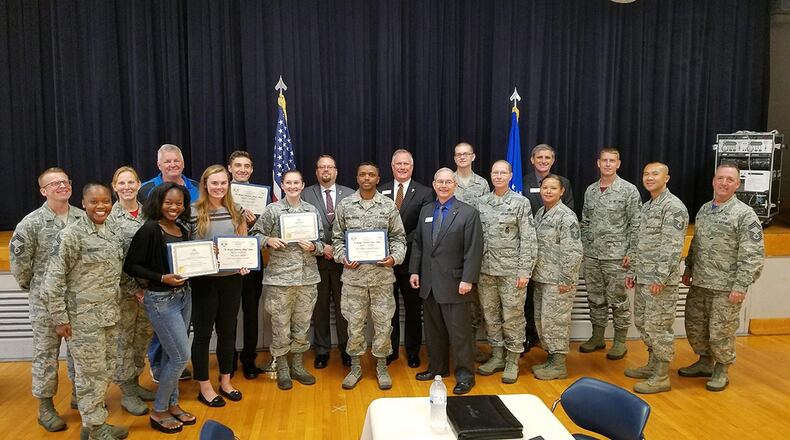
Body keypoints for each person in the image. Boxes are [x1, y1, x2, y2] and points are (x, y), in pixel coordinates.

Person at [43, 183, 130, 440]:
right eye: (94, 202)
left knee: (104, 370)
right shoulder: (72, 234)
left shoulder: (113, 230)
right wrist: (59, 318)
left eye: (105, 201)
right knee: (89, 374)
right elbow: (53, 280)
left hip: (110, 314)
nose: (100, 206)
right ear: (83, 203)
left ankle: (92, 422)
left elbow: (120, 271)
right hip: (82, 320)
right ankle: (95, 428)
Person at [10, 167, 83, 432]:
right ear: (43, 191)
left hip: (77, 301)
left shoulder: (82, 218)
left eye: (65, 181)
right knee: (45, 355)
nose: (62, 186)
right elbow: (20, 266)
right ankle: (45, 407)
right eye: (54, 184)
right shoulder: (30, 224)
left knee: (80, 354)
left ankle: (80, 397)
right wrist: (37, 288)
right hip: (44, 304)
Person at [680, 162, 764, 392]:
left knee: (720, 331)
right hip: (701, 282)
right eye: (720, 178)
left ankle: (722, 368)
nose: (724, 183)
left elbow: (753, 254)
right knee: (695, 326)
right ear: (713, 181)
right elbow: (696, 244)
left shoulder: (745, 215)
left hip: (726, 287)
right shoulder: (705, 209)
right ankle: (705, 362)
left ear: (737, 184)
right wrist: (688, 270)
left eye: (729, 179)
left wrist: (741, 285)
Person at [124, 182, 196, 434]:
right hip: (161, 299)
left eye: (179, 203)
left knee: (169, 355)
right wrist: (162, 277)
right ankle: (159, 409)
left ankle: (173, 404)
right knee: (179, 357)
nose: (174, 207)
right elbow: (132, 266)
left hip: (183, 296)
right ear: (158, 202)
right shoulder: (150, 229)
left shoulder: (182, 228)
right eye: (168, 202)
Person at [331, 162, 406, 390]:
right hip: (353, 279)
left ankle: (381, 366)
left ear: (377, 177)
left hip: (382, 279)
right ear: (357, 177)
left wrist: (394, 258)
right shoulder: (345, 206)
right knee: (354, 325)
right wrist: (343, 257)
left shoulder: (388, 206)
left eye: (371, 174)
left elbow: (399, 238)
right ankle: (355, 366)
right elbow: (336, 240)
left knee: (384, 325)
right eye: (362, 174)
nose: (366, 178)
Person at [410, 168, 484, 395]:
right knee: (434, 332)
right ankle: (437, 368)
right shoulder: (426, 211)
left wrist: (468, 279)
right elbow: (419, 245)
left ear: (455, 185)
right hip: (429, 283)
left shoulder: (468, 213)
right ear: (434, 184)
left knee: (460, 334)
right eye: (439, 182)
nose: (443, 185)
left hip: (456, 284)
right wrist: (414, 271)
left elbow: (474, 249)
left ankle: (464, 375)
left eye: (448, 182)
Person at [251, 170, 323, 390]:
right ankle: (282, 366)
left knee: (301, 325)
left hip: (307, 279)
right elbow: (254, 234)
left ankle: (298, 366)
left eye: (296, 182)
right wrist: (268, 240)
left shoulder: (311, 210)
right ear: (282, 185)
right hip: (280, 280)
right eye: (288, 182)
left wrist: (313, 247)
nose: (292, 186)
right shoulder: (273, 210)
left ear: (302, 185)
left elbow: (321, 243)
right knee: (280, 326)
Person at [623, 162, 688, 394]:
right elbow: (639, 242)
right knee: (643, 322)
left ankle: (661, 375)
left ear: (666, 178)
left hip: (659, 281)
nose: (649, 178)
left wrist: (659, 278)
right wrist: (633, 272)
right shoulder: (648, 206)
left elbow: (672, 248)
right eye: (646, 174)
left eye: (655, 174)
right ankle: (652, 364)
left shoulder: (672, 207)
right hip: (643, 277)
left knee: (658, 326)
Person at [189, 165, 250, 407]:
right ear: (205, 185)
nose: (219, 187)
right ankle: (204, 386)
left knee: (228, 332)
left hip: (232, 280)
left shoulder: (236, 211)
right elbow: (186, 248)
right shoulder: (193, 212)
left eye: (223, 183)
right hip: (204, 282)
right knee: (203, 335)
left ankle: (225, 381)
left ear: (229, 184)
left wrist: (245, 262)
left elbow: (243, 243)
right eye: (214, 183)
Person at [138, 144, 198, 382]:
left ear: (182, 163)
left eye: (176, 161)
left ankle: (175, 362)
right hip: (159, 265)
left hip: (190, 261)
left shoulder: (196, 187)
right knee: (161, 323)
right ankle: (157, 364)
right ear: (159, 165)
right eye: (168, 162)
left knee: (181, 322)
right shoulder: (145, 189)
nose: (172, 165)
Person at [476, 161, 537, 383]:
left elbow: (528, 240)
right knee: (491, 317)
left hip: (512, 272)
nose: (499, 176)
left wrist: (524, 271)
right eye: (495, 172)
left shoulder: (521, 203)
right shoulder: (481, 203)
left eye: (503, 172)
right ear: (490, 175)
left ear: (511, 175)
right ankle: (497, 356)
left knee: (513, 317)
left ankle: (512, 360)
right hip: (486, 271)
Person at [579, 148, 641, 360]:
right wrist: (586, 249)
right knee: (595, 298)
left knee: (618, 300)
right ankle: (597, 337)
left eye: (611, 160)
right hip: (594, 256)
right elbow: (585, 222)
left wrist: (631, 253)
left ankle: (620, 342)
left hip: (617, 256)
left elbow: (636, 224)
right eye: (604, 160)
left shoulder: (628, 190)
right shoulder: (591, 191)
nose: (607, 164)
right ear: (598, 163)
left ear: (618, 163)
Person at [378, 149, 433, 368]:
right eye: (398, 164)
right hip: (384, 263)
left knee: (412, 310)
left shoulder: (424, 192)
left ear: (412, 167)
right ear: (392, 167)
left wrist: (397, 242)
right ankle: (390, 350)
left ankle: (412, 351)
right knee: (388, 309)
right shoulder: (380, 192)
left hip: (411, 261)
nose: (402, 167)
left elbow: (422, 227)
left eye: (406, 164)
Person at [108, 166, 157, 416]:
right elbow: (112, 260)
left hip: (149, 290)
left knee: (143, 338)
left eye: (131, 182)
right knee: (124, 341)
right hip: (123, 294)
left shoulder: (149, 213)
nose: (127, 187)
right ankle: (127, 391)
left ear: (139, 184)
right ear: (114, 186)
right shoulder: (108, 218)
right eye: (121, 183)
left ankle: (136, 383)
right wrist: (133, 288)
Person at [302, 155, 353, 369]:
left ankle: (346, 349)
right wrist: (323, 248)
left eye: (329, 167)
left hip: (344, 263)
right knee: (320, 308)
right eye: (321, 167)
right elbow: (300, 226)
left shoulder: (351, 194)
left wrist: (339, 250)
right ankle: (322, 350)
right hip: (316, 260)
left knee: (345, 309)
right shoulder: (305, 194)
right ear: (316, 172)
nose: (325, 171)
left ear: (336, 171)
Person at [522, 144, 574, 353]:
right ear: (532, 160)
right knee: (532, 304)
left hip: (555, 260)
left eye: (547, 158)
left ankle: (555, 354)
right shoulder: (522, 181)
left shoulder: (563, 184)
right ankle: (531, 337)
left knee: (553, 313)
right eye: (539, 157)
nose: (543, 161)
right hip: (532, 257)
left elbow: (568, 215)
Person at [531, 175, 583, 381]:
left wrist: (566, 280)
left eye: (553, 188)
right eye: (545, 187)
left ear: (562, 192)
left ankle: (559, 365)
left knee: (556, 322)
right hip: (542, 277)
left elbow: (573, 252)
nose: (548, 191)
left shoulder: (566, 216)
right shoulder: (540, 213)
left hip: (558, 281)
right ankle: (552, 358)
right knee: (544, 321)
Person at [227, 151, 267, 379]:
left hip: (252, 262)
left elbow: (268, 227)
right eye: (238, 166)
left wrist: (256, 221)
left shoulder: (260, 196)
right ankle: (228, 359)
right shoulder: (220, 192)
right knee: (229, 315)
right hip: (229, 262)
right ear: (230, 168)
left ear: (251, 170)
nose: (242, 169)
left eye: (247, 166)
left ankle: (249, 360)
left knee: (251, 313)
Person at [451, 142, 491, 363]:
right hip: (452, 251)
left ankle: (473, 346)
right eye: (459, 154)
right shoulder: (449, 180)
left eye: (466, 154)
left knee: (475, 304)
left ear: (473, 157)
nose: (463, 157)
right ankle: (457, 345)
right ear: (455, 158)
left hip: (474, 250)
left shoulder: (482, 184)